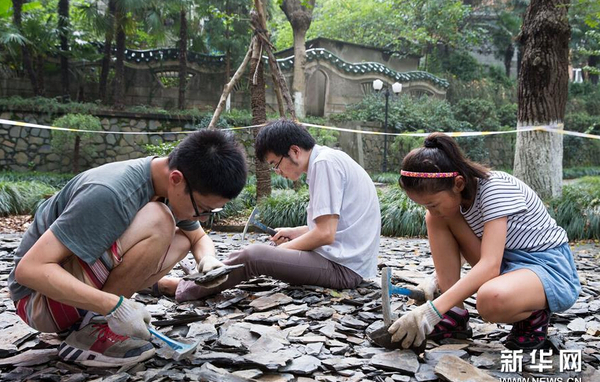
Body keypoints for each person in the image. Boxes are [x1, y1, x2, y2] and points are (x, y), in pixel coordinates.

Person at [8, 129, 247, 367]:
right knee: (160, 219)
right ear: (176, 179)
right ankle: (92, 330)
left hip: (66, 293)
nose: (203, 218)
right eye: (203, 209)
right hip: (37, 301)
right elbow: (29, 270)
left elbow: (197, 238)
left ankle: (94, 321)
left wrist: (208, 260)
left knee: (183, 238)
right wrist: (114, 307)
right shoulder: (111, 192)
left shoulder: (164, 184)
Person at [387, 133, 580, 350]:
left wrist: (430, 311)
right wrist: (435, 279)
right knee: (436, 218)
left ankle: (534, 316)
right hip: (505, 263)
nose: (430, 209)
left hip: (546, 268)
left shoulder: (494, 189)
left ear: (458, 183)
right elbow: (478, 250)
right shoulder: (457, 202)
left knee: (490, 300)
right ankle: (455, 316)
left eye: (432, 203)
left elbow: (490, 265)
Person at [158, 118, 381, 302]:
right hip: (348, 262)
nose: (277, 171)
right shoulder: (328, 160)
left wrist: (279, 253)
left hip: (343, 268)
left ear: (294, 151)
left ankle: (183, 288)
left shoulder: (324, 164)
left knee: (255, 255)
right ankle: (204, 276)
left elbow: (325, 233)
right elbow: (334, 226)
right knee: (262, 253)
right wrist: (296, 231)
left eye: (275, 163)